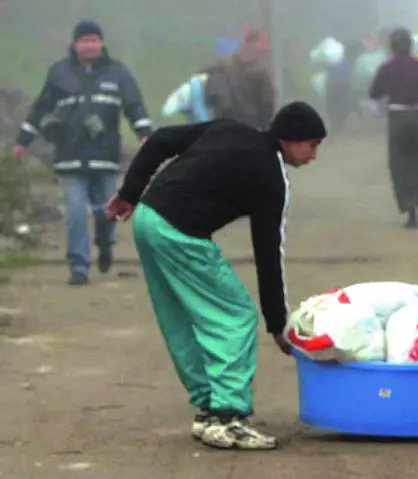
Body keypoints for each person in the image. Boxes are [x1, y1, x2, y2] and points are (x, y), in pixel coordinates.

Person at [105, 102, 327, 450]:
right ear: (290, 139)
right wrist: (276, 323)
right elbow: (267, 251)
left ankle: (209, 408)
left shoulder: (228, 128)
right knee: (236, 315)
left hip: (148, 218)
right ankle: (228, 418)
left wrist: (129, 194)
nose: (314, 156)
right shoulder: (271, 177)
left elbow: (160, 139)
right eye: (312, 145)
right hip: (179, 232)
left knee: (180, 317)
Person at [12, 20, 152, 285]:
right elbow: (40, 109)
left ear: (101, 43)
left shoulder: (118, 73)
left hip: (105, 156)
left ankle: (106, 244)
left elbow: (134, 107)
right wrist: (23, 141)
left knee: (106, 212)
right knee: (76, 211)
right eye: (85, 40)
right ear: (75, 44)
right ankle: (79, 266)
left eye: (94, 40)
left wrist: (146, 136)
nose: (90, 45)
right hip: (70, 156)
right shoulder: (59, 73)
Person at [370, 28, 418, 228]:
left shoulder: (386, 68)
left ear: (391, 47)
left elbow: (374, 93)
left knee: (401, 163)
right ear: (411, 45)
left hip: (399, 117)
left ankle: (410, 211)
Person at [205, 28, 275, 129]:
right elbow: (267, 106)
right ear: (251, 44)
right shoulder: (262, 72)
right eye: (263, 44)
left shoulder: (223, 65)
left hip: (224, 126)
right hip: (251, 127)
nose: (266, 49)